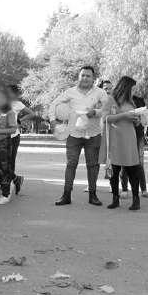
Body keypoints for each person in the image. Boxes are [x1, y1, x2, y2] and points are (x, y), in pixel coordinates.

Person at [49, 66, 107, 206]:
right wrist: (52, 121)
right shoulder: (70, 92)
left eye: (88, 76)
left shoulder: (100, 92)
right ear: (79, 77)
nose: (85, 78)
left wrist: (96, 112)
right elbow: (54, 104)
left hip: (93, 134)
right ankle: (66, 195)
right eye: (83, 75)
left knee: (93, 166)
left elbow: (108, 109)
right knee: (71, 164)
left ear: (93, 78)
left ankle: (93, 195)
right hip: (73, 134)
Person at [99, 76, 143, 210]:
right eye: (132, 89)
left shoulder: (131, 102)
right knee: (114, 170)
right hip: (115, 139)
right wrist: (124, 115)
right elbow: (105, 118)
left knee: (133, 169)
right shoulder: (111, 100)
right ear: (125, 88)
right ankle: (115, 198)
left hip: (129, 139)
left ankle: (136, 199)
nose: (134, 92)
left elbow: (135, 121)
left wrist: (137, 120)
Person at [7, 84, 37, 195]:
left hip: (13, 137)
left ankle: (8, 187)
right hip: (2, 136)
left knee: (10, 163)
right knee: (0, 163)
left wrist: (20, 120)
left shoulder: (17, 104)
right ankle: (16, 179)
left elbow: (32, 113)